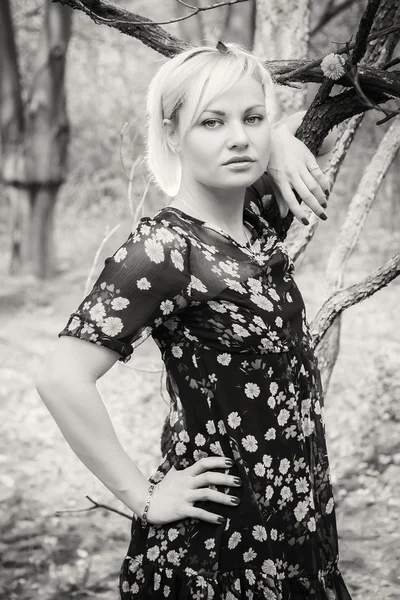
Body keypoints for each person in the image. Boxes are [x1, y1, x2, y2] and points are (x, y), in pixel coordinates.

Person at [36, 40, 353, 600]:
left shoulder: (255, 223)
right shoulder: (164, 249)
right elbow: (61, 378)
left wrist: (276, 136)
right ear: (173, 134)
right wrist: (143, 496)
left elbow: (349, 97)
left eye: (252, 118)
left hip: (297, 521)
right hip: (221, 541)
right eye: (211, 122)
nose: (238, 137)